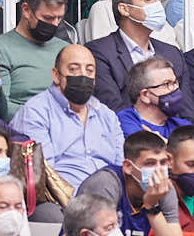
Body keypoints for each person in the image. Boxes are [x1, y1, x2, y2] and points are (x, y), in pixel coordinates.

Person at [9, 43, 124, 189]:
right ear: (56, 75)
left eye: (89, 71)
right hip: (64, 202)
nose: (83, 75)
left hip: (112, 199)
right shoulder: (36, 111)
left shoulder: (107, 115)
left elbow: (121, 167)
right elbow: (45, 174)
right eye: (74, 69)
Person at [85, 0, 191, 115]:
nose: (157, 5)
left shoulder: (172, 53)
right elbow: (111, 107)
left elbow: (187, 110)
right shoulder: (98, 52)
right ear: (124, 9)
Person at [75, 130, 181, 236]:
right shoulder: (105, 183)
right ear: (128, 167)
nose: (159, 170)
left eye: (163, 162)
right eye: (150, 163)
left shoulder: (162, 187)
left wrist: (152, 207)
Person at [0, 0, 67, 118]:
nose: (55, 24)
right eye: (48, 18)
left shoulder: (66, 50)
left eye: (59, 18)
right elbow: (2, 107)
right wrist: (48, 116)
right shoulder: (0, 49)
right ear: (26, 10)